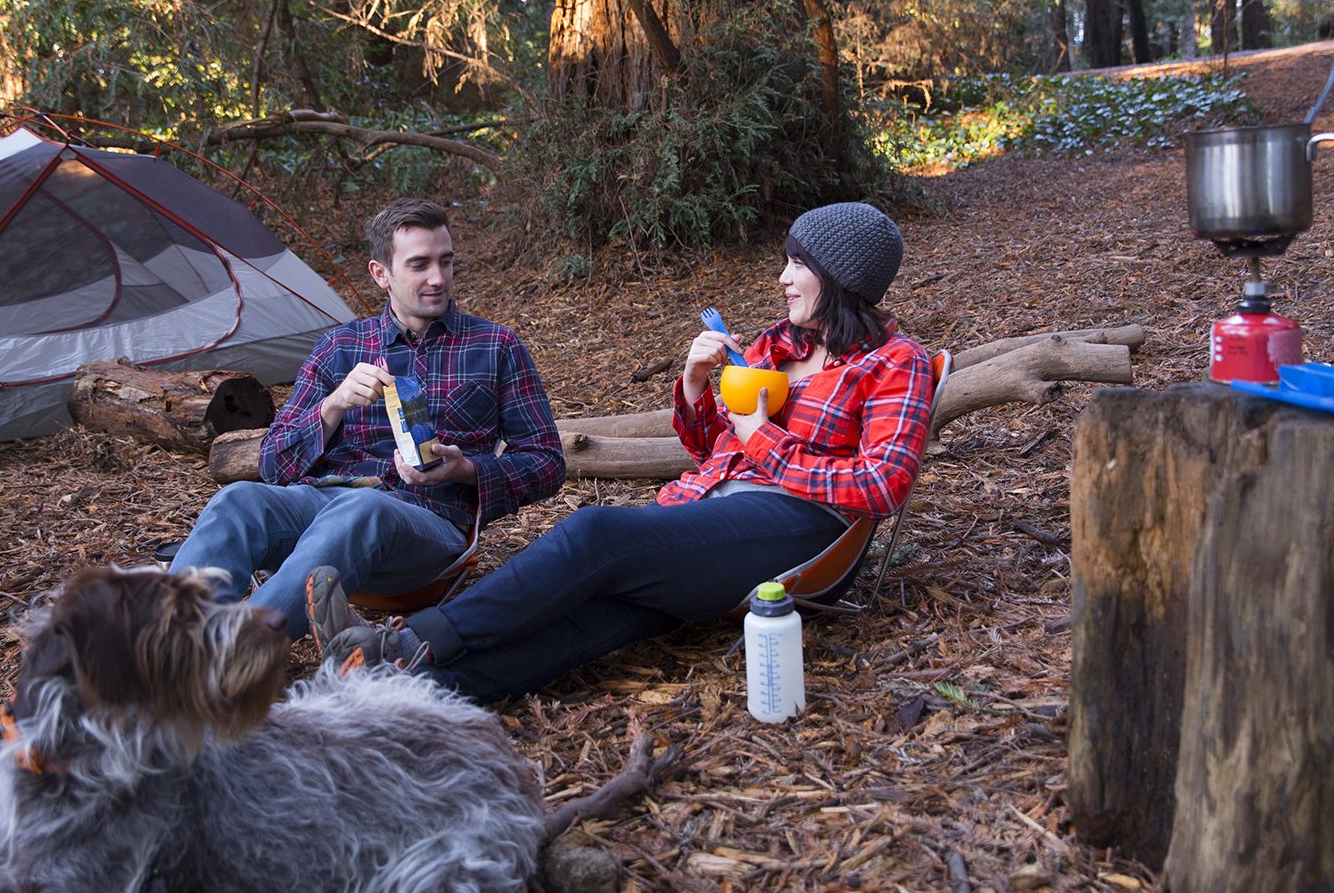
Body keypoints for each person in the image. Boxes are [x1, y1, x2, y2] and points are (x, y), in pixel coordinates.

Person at [316, 202, 935, 702]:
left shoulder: (893, 363)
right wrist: (696, 388)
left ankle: (403, 645)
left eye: (798, 264)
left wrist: (759, 438)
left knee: (596, 535)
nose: (782, 277)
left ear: (840, 277)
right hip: (714, 511)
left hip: (803, 528)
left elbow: (882, 486)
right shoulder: (779, 344)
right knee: (599, 614)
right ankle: (407, 690)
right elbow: (709, 450)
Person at [170, 197, 565, 642]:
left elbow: (547, 461)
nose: (438, 278)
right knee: (238, 501)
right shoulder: (340, 346)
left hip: (426, 527)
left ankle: (234, 655)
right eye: (419, 265)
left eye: (446, 262)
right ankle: (170, 646)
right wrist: (333, 405)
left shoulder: (495, 346)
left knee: (365, 509)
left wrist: (467, 469)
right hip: (324, 504)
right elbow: (272, 465)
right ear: (381, 274)